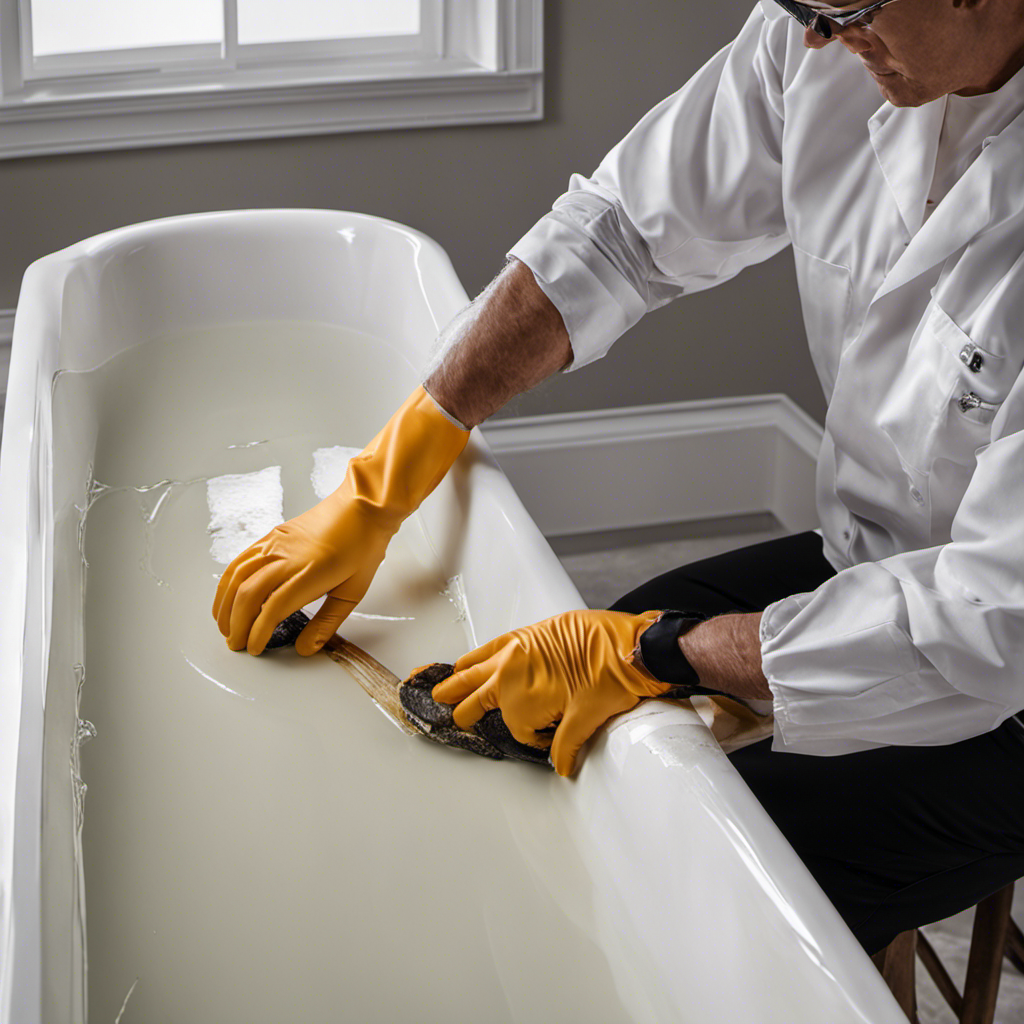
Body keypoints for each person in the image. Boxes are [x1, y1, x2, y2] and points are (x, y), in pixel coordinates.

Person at [213, 0, 1024, 955]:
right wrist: (390, 471)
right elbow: (621, 233)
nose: (813, 35)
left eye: (842, 6)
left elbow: (990, 621)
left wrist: (658, 653)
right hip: (868, 563)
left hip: (1006, 695)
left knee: (658, 884)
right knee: (551, 737)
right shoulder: (827, 44)